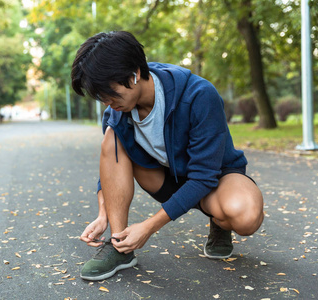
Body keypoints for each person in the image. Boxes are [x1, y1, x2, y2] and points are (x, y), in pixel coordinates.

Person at [71, 31, 264, 281]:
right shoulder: (116, 111)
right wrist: (103, 213)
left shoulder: (198, 95)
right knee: (112, 137)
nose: (107, 103)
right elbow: (111, 164)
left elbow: (204, 177)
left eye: (110, 93)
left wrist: (148, 227)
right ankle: (120, 247)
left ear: (134, 74)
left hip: (215, 179)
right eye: (100, 97)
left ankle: (219, 220)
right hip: (164, 179)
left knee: (245, 217)